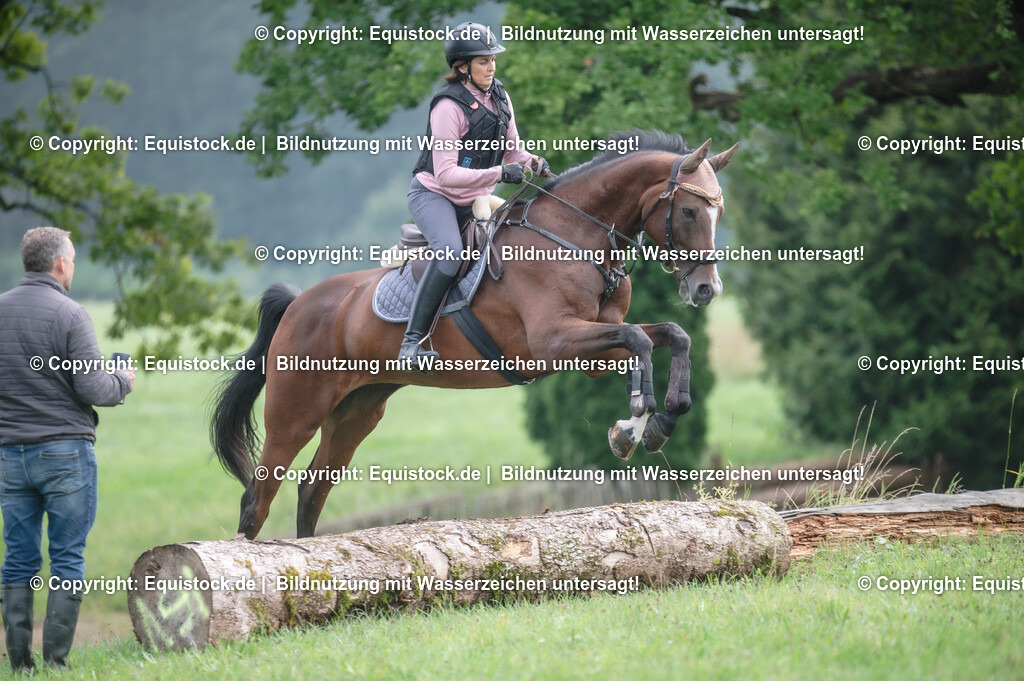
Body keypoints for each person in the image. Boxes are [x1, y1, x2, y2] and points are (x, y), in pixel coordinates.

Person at [0, 227, 134, 671]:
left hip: (10, 456)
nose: (72, 265)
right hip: (63, 455)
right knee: (67, 557)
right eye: (72, 258)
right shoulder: (71, 314)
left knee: (18, 558)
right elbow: (94, 386)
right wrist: (123, 381)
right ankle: (56, 663)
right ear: (59, 264)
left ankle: (20, 665)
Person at [400, 21, 550, 368]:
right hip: (435, 196)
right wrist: (500, 173)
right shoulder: (447, 108)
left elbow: (514, 152)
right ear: (462, 67)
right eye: (483, 61)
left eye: (493, 60)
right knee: (451, 253)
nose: (492, 67)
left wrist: (533, 162)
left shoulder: (499, 96)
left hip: (477, 199)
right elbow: (447, 174)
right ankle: (411, 342)